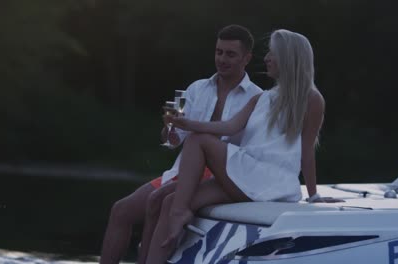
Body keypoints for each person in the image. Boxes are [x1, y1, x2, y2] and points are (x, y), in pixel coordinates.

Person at [144, 29, 325, 263]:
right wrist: (186, 123)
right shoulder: (261, 98)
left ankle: (181, 212)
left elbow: (307, 150)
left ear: (289, 58)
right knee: (169, 201)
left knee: (198, 140)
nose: (267, 58)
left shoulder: (311, 99)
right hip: (247, 175)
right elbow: (228, 127)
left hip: (270, 179)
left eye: (273, 53)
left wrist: (313, 195)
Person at [99, 24, 262, 264]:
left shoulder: (256, 97)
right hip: (184, 169)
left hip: (222, 175)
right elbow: (174, 142)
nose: (222, 59)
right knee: (121, 210)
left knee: (158, 200)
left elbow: (251, 152)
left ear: (246, 58)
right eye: (219, 52)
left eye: (230, 54)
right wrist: (169, 128)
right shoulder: (197, 89)